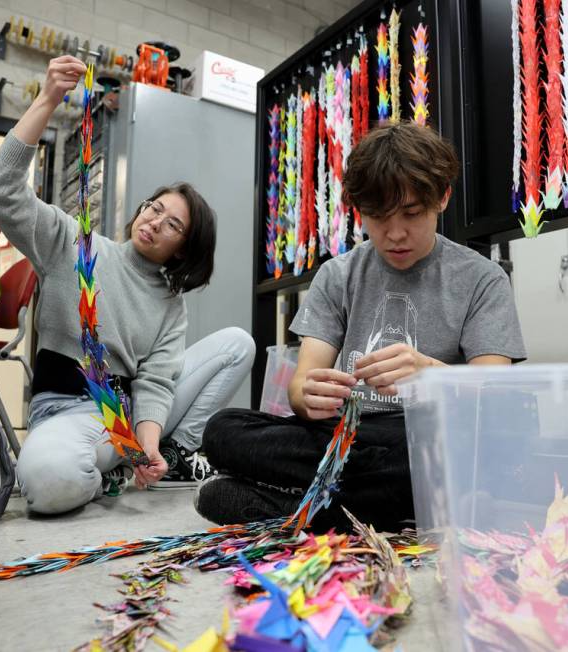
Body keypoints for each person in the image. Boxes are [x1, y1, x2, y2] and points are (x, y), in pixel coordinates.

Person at [196, 121, 526, 531]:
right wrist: (309, 397)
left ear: (442, 198)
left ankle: (298, 506)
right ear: (359, 210)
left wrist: (431, 375)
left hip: (427, 435)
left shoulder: (482, 278)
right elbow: (300, 390)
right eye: (377, 216)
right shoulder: (338, 275)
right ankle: (392, 506)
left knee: (477, 448)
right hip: (347, 434)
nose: (395, 234)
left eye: (412, 213)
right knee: (223, 430)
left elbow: (494, 396)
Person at [0, 56, 255, 515]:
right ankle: (106, 470)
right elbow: (1, 190)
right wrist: (48, 98)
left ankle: (171, 453)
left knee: (237, 344)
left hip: (123, 414)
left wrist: (146, 444)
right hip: (68, 409)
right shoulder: (75, 242)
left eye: (173, 225)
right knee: (49, 483)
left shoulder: (170, 304)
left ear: (184, 250)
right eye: (153, 208)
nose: (153, 222)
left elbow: (155, 383)